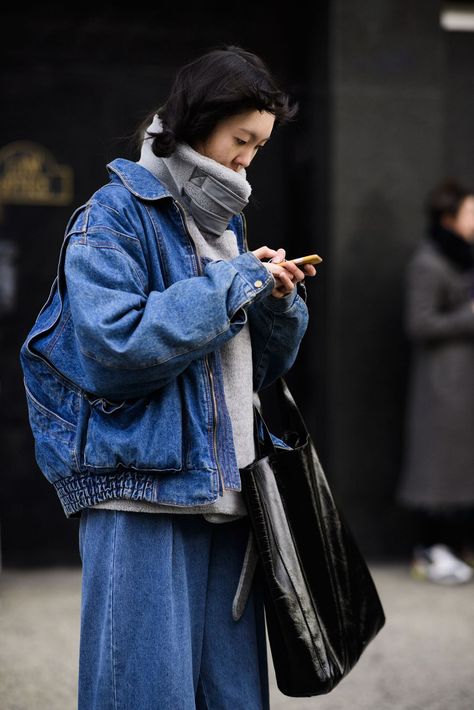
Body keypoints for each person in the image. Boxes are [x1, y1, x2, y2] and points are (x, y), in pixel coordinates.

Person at [20, 45, 317, 709]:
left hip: (229, 492)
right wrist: (234, 282)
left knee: (229, 698)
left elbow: (245, 373)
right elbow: (113, 345)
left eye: (260, 145)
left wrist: (273, 303)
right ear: (199, 122)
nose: (247, 159)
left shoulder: (224, 220)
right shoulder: (113, 214)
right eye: (241, 139)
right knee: (143, 694)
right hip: (142, 493)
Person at [398, 178, 474, 585]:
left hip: (464, 384)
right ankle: (429, 551)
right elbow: (420, 322)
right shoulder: (428, 261)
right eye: (469, 212)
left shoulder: (463, 257)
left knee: (461, 470)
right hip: (443, 384)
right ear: (449, 217)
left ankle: (455, 548)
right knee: (436, 469)